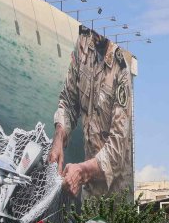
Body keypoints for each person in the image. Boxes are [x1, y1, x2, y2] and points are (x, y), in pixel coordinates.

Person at [48, 26, 133, 197]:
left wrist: (81, 171)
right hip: (89, 189)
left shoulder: (122, 65)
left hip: (117, 196)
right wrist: (59, 137)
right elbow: (69, 101)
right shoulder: (84, 43)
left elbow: (116, 150)